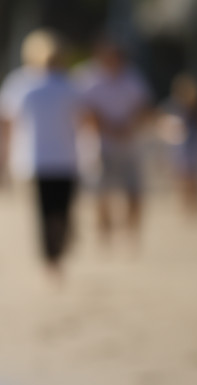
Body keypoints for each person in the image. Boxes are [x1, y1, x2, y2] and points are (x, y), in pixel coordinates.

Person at [0, 29, 87, 276]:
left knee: (47, 212)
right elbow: (84, 120)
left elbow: (5, 122)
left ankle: (51, 256)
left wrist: (3, 154)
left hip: (38, 159)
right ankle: (54, 255)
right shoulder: (67, 84)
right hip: (60, 158)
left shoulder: (23, 83)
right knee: (59, 210)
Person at [76, 39, 153, 247]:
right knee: (102, 190)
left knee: (134, 189)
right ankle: (104, 231)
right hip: (99, 142)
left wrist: (129, 125)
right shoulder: (87, 77)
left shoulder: (132, 76)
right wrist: (108, 127)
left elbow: (142, 105)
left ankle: (131, 231)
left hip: (129, 142)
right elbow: (83, 108)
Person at [157, 73, 197, 219]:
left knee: (195, 178)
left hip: (194, 146)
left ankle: (196, 207)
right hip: (179, 147)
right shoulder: (172, 105)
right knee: (181, 178)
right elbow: (162, 124)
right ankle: (184, 207)